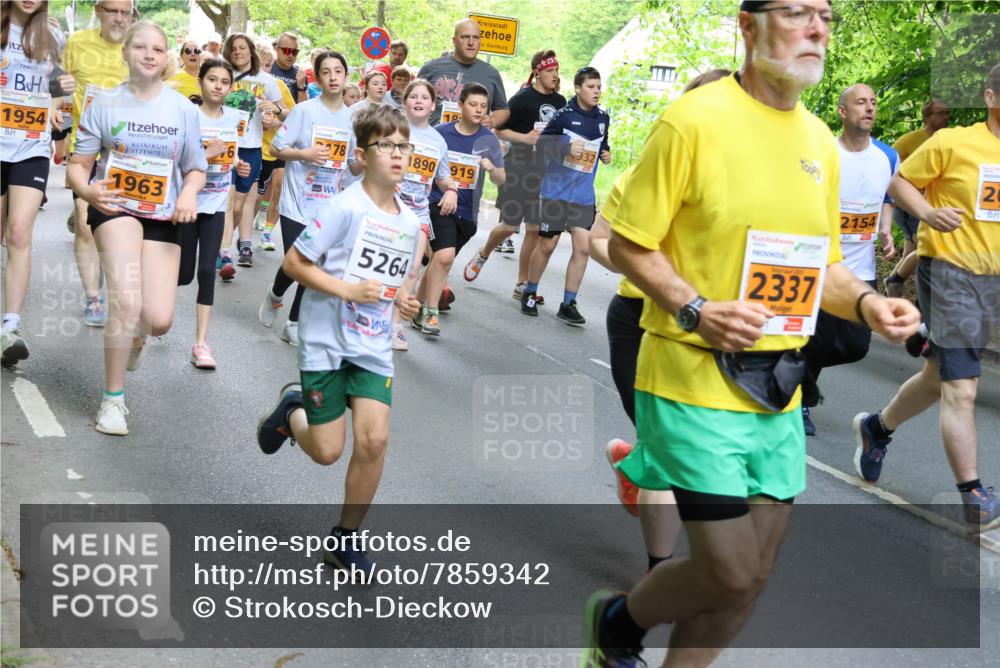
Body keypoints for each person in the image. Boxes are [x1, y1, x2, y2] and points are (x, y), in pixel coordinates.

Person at [580, 3, 920, 666]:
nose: (817, 27)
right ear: (748, 25)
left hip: (778, 389)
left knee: (751, 580)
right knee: (729, 570)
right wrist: (694, 307)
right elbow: (628, 243)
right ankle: (619, 623)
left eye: (825, 15)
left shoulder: (820, 142)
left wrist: (872, 303)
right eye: (798, 12)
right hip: (689, 377)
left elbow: (821, 269)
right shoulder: (693, 121)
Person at [256, 105, 422, 575]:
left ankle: (345, 540)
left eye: (403, 146)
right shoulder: (343, 207)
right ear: (363, 155)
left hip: (371, 345)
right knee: (329, 452)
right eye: (386, 145)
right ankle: (293, 412)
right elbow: (294, 264)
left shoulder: (409, 223)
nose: (397, 154)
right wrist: (348, 289)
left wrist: (403, 303)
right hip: (327, 339)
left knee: (374, 441)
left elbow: (398, 283)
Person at [589, 69, 730, 567]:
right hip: (639, 320)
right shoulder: (644, 172)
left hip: (708, 330)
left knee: (682, 452)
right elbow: (598, 240)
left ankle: (636, 470)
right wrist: (641, 266)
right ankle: (659, 575)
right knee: (666, 449)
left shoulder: (741, 182)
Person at [854, 63, 1000, 531]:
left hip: (993, 282)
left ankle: (877, 428)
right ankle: (973, 495)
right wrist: (927, 213)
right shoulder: (955, 141)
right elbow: (898, 181)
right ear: (992, 97)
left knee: (938, 377)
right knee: (963, 387)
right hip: (952, 272)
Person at [67, 20, 206, 436]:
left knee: (158, 319)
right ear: (125, 52)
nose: (149, 54)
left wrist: (188, 195)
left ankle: (139, 338)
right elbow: (79, 165)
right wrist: (88, 193)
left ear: (166, 59)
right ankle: (112, 402)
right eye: (140, 47)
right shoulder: (105, 104)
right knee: (126, 303)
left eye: (158, 49)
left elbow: (196, 168)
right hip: (115, 208)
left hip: (164, 215)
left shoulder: (182, 109)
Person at [800, 82, 898, 435]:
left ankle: (794, 367)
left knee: (856, 346)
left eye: (873, 102)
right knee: (819, 338)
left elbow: (887, 196)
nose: (869, 108)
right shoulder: (824, 152)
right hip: (822, 266)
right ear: (843, 112)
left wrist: (885, 229)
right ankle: (801, 401)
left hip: (862, 269)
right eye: (861, 102)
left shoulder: (887, 156)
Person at [258, 50, 362, 347]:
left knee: (313, 265)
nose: (332, 77)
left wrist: (363, 161)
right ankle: (276, 293)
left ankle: (293, 323)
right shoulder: (304, 112)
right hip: (297, 201)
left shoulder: (353, 119)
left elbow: (352, 167)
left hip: (329, 204)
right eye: (326, 71)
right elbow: (277, 149)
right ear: (318, 76)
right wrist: (305, 154)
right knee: (298, 260)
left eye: (338, 71)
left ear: (346, 77)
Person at [1, 0, 74, 366]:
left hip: (31, 146)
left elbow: (57, 89)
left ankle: (9, 328)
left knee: (18, 233)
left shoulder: (52, 37)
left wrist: (58, 105)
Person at [463, 50, 566, 305]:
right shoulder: (522, 99)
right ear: (538, 72)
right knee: (510, 225)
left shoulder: (561, 101)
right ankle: (484, 252)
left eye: (556, 70)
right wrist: (525, 139)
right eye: (550, 70)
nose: (555, 75)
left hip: (544, 172)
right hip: (518, 168)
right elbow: (499, 130)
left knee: (533, 229)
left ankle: (522, 284)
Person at [518, 66, 611, 325]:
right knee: (547, 244)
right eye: (591, 87)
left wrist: (606, 154)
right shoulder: (564, 116)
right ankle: (530, 292)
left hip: (583, 195)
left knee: (583, 248)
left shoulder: (603, 117)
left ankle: (569, 303)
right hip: (556, 192)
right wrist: (567, 148)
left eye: (599, 87)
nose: (596, 91)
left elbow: (603, 143)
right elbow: (543, 143)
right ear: (578, 89)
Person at [63, 0, 135, 328]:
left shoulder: (141, 45)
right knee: (84, 223)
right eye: (112, 10)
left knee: (118, 228)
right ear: (98, 10)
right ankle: (93, 296)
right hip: (86, 149)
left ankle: (116, 285)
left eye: (125, 11)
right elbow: (61, 88)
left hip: (128, 153)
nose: (119, 18)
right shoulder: (77, 43)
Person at [412, 83, 504, 337]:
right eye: (473, 104)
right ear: (460, 105)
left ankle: (416, 307)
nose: (478, 110)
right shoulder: (440, 133)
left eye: (483, 106)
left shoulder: (488, 140)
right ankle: (431, 313)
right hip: (438, 202)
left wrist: (491, 168)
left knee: (440, 262)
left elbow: (501, 179)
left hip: (467, 212)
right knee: (443, 257)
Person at [181, 58, 251, 369]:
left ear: (230, 87)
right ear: (201, 82)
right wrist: (204, 154)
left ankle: (201, 343)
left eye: (224, 81)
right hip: (186, 204)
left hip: (214, 205)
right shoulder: (188, 116)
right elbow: (176, 159)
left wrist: (238, 164)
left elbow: (232, 152)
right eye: (212, 79)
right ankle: (150, 320)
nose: (218, 86)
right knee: (181, 274)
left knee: (207, 271)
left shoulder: (236, 118)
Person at [392, 78, 458, 350]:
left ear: (433, 105)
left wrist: (451, 190)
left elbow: (443, 177)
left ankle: (395, 327)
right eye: (413, 96)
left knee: (411, 270)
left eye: (424, 98)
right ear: (405, 102)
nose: (418, 101)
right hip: (388, 206)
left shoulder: (437, 141)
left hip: (418, 212)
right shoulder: (393, 129)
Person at [217, 33, 285, 278]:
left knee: (243, 202)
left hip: (252, 146)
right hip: (224, 144)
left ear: (251, 51)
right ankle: (225, 251)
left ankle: (238, 243)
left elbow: (286, 114)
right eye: (233, 48)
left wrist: (274, 114)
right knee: (229, 198)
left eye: (242, 48)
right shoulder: (222, 75)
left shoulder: (267, 81)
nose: (238, 52)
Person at [884, 99, 950, 297]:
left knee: (909, 254)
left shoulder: (948, 140)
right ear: (927, 116)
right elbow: (888, 167)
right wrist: (892, 199)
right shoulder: (909, 141)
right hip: (908, 206)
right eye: (940, 113)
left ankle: (890, 295)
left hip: (930, 204)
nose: (946, 117)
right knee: (926, 249)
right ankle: (894, 282)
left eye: (947, 113)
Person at [416, 19, 508, 128]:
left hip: (472, 141)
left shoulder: (491, 73)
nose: (471, 42)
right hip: (433, 139)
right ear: (454, 41)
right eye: (465, 37)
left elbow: (503, 109)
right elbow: (413, 101)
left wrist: (492, 121)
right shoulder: (431, 68)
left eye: (476, 38)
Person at [253, 74, 296, 251]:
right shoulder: (242, 82)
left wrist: (275, 122)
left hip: (279, 146)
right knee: (254, 196)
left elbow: (293, 115)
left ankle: (266, 234)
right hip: (258, 148)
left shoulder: (277, 85)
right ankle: (243, 237)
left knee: (279, 190)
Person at [270, 32, 307, 103]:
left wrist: (301, 88)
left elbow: (304, 108)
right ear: (276, 49)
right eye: (287, 51)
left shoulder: (300, 75)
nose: (290, 55)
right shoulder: (267, 68)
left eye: (294, 52)